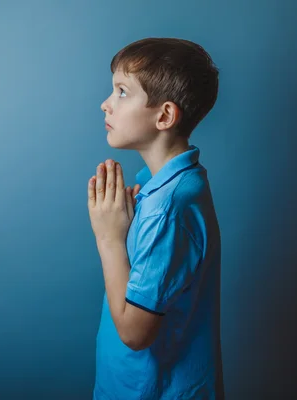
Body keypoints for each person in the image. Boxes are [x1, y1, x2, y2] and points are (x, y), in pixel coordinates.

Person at [87, 37, 224, 399]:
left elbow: (135, 332)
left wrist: (109, 238)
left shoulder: (169, 207)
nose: (105, 104)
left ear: (164, 115)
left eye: (121, 92)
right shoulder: (170, 185)